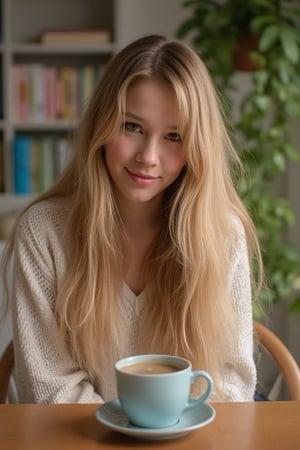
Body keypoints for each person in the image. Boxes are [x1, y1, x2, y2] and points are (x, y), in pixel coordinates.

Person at [2, 34, 263, 403]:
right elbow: (51, 394)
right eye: (132, 127)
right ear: (102, 127)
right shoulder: (44, 232)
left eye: (174, 135)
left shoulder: (223, 235)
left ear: (197, 148)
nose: (149, 157)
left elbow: (231, 388)